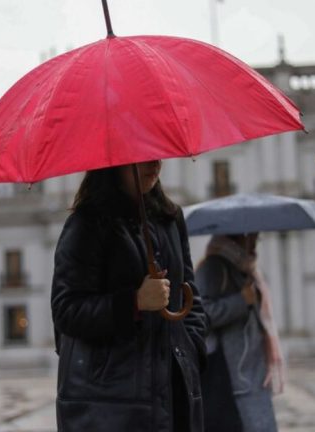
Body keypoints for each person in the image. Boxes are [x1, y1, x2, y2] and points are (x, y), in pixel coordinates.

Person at [51, 160, 209, 432]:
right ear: (115, 163)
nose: (154, 163)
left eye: (157, 153)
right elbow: (66, 310)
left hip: (174, 393)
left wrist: (191, 350)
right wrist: (134, 302)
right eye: (142, 157)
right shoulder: (87, 223)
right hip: (110, 403)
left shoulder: (170, 219)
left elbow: (190, 295)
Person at [196, 233, 284, 432]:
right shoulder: (212, 267)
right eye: (252, 237)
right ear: (238, 237)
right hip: (229, 381)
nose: (255, 242)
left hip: (253, 376)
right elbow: (199, 316)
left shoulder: (248, 271)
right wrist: (242, 300)